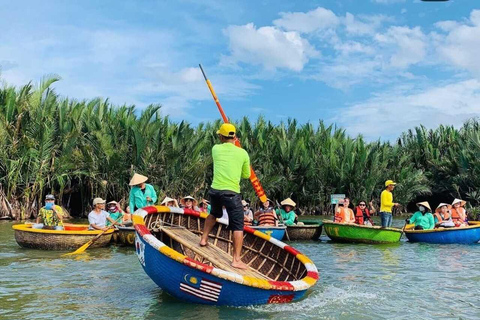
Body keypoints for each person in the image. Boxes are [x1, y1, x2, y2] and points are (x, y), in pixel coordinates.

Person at [199, 123, 251, 269]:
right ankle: (236, 260)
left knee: (214, 213)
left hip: (215, 191)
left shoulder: (216, 149)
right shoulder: (242, 153)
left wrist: (234, 145)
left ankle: (203, 239)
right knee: (238, 226)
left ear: (221, 137)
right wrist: (238, 149)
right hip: (231, 193)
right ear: (235, 137)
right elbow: (246, 175)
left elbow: (225, 146)